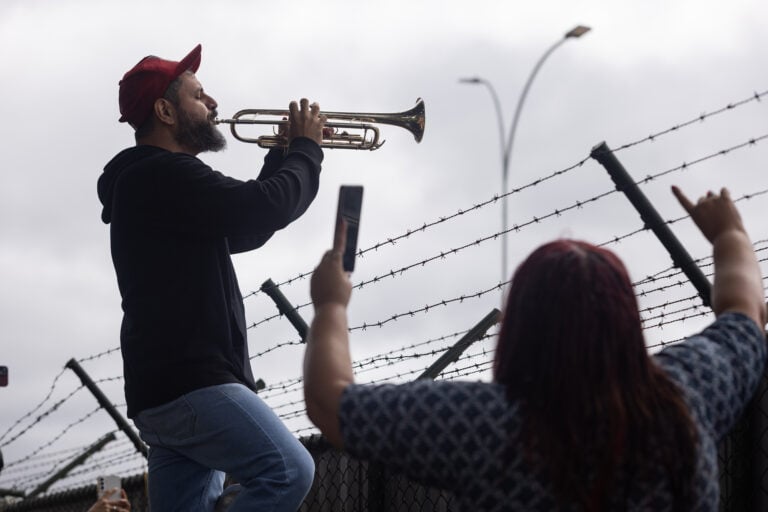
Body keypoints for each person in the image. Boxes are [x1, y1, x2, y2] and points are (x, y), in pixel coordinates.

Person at [303, 186, 766, 511]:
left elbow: (330, 400)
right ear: (627, 319)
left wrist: (330, 304)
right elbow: (744, 312)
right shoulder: (688, 398)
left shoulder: (487, 425)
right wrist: (729, 235)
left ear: (521, 325)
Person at [98, 44, 325, 511]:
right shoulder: (159, 175)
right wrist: (307, 150)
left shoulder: (154, 185)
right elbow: (266, 206)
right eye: (199, 95)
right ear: (164, 110)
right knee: (289, 470)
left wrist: (282, 155)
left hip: (166, 391)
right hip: (191, 384)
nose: (214, 103)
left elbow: (251, 226)